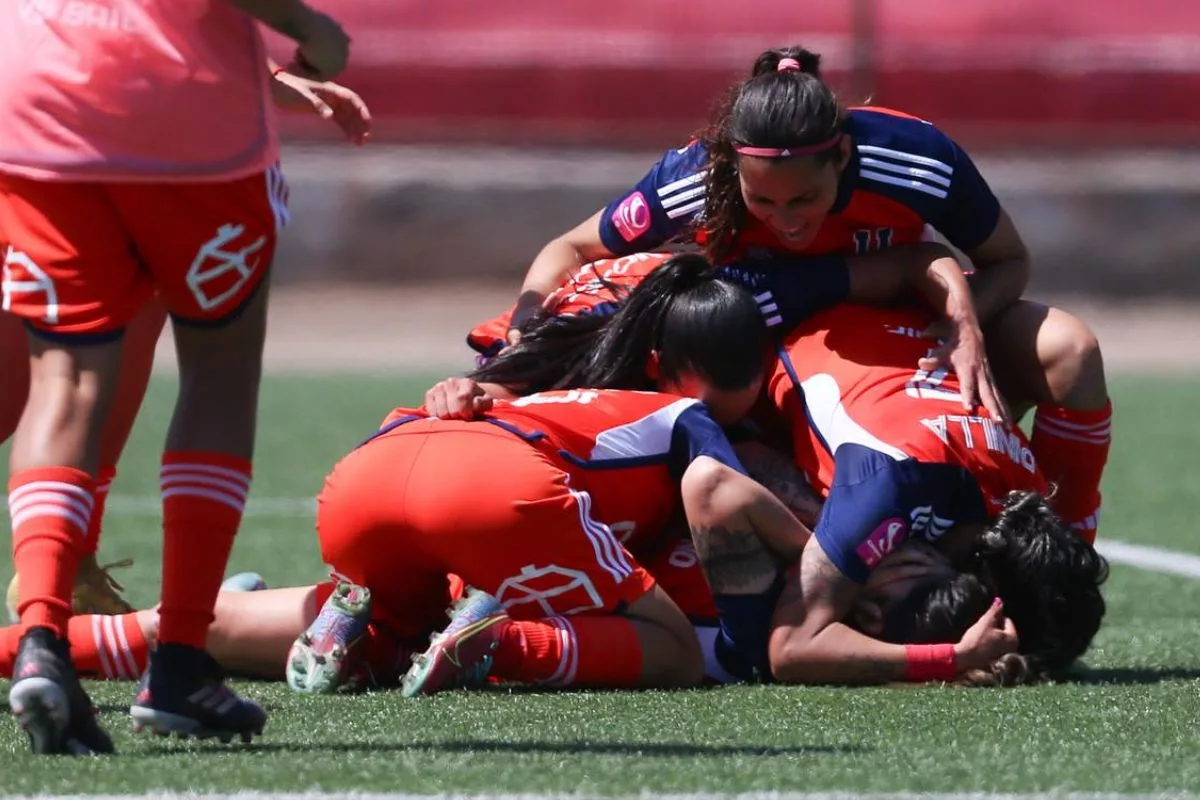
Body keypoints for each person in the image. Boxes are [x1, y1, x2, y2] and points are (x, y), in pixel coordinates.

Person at [510, 44, 1112, 545]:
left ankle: (1068, 549)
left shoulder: (913, 160)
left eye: (805, 200)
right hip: (770, 350)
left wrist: (964, 326)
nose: (788, 222)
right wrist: (527, 315)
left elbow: (1008, 261)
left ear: (842, 157)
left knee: (1070, 348)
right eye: (763, 202)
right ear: (733, 170)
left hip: (901, 326)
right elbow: (570, 250)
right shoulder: (698, 180)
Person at [0, 0, 350, 754]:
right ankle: (182, 664)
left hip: (40, 99)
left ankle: (40, 639)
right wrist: (309, 30)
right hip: (186, 121)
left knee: (61, 377)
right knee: (217, 375)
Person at [684, 302, 1110, 685]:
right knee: (812, 579)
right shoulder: (888, 488)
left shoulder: (1024, 496)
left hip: (895, 332)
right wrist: (952, 656)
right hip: (794, 332)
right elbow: (790, 648)